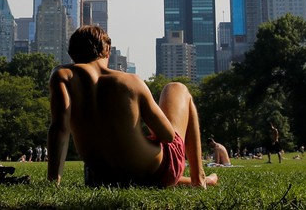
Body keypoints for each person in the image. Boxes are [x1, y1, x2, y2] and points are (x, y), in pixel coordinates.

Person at [47, 25, 217, 188]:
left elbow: (59, 130)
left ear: (71, 54)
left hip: (104, 177)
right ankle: (199, 178)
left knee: (132, 166)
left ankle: (202, 180)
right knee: (177, 88)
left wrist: (53, 181)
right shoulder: (131, 81)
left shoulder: (62, 75)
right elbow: (167, 136)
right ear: (107, 51)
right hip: (156, 172)